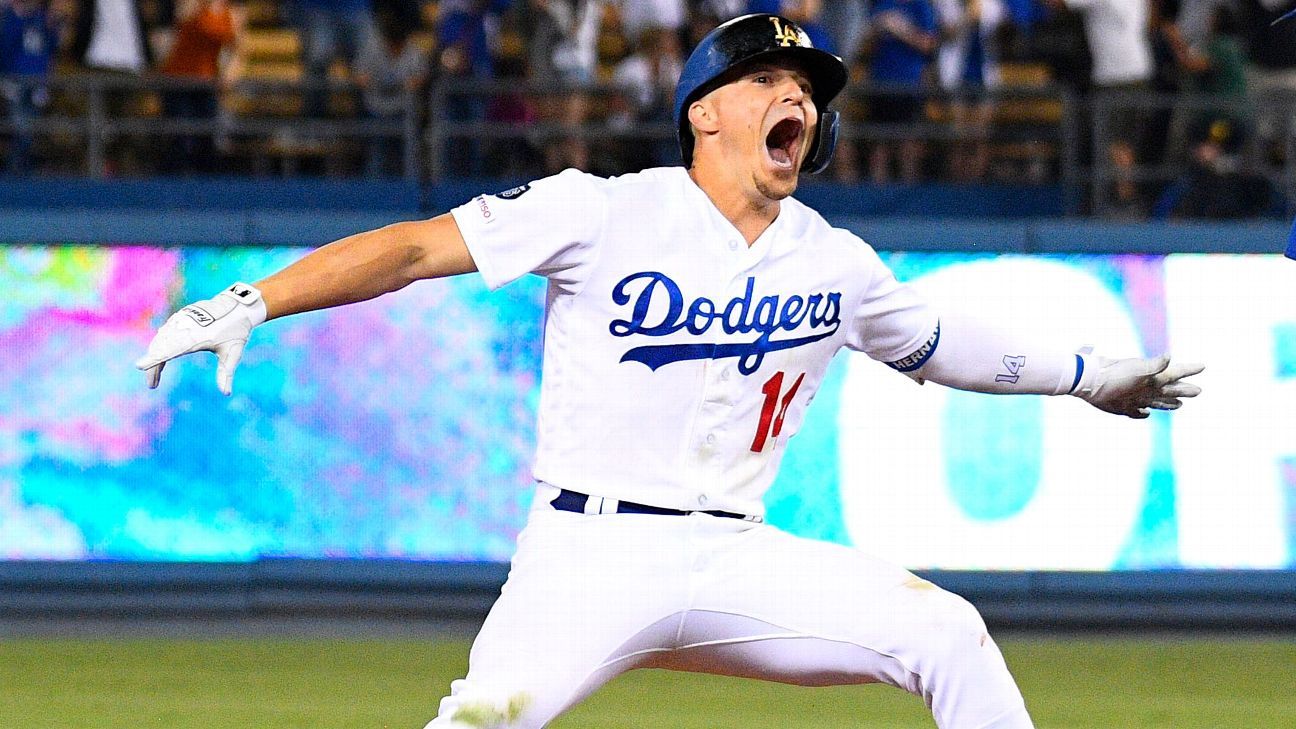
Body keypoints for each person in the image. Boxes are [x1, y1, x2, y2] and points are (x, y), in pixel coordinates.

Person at [136, 14, 1204, 729]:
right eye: (769, 82)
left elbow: (935, 342)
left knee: (949, 634)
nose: (798, 99)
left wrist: (1086, 372)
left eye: (808, 89)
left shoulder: (832, 259)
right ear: (704, 112)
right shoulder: (597, 209)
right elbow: (417, 248)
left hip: (736, 558)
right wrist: (256, 299)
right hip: (585, 554)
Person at [158, 0, 245, 174]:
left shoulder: (233, 11)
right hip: (179, 81)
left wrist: (229, 74)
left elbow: (239, 49)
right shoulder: (191, 4)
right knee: (181, 138)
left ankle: (206, 188)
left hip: (207, 83)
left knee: (207, 140)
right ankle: (173, 183)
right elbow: (174, 27)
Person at [0, 0, 62, 175]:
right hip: (16, 80)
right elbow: (5, 48)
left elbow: (51, 48)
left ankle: (22, 168)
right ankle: (17, 169)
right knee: (20, 126)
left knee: (32, 126)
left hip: (37, 81)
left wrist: (52, 27)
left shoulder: (42, 18)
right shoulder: (11, 18)